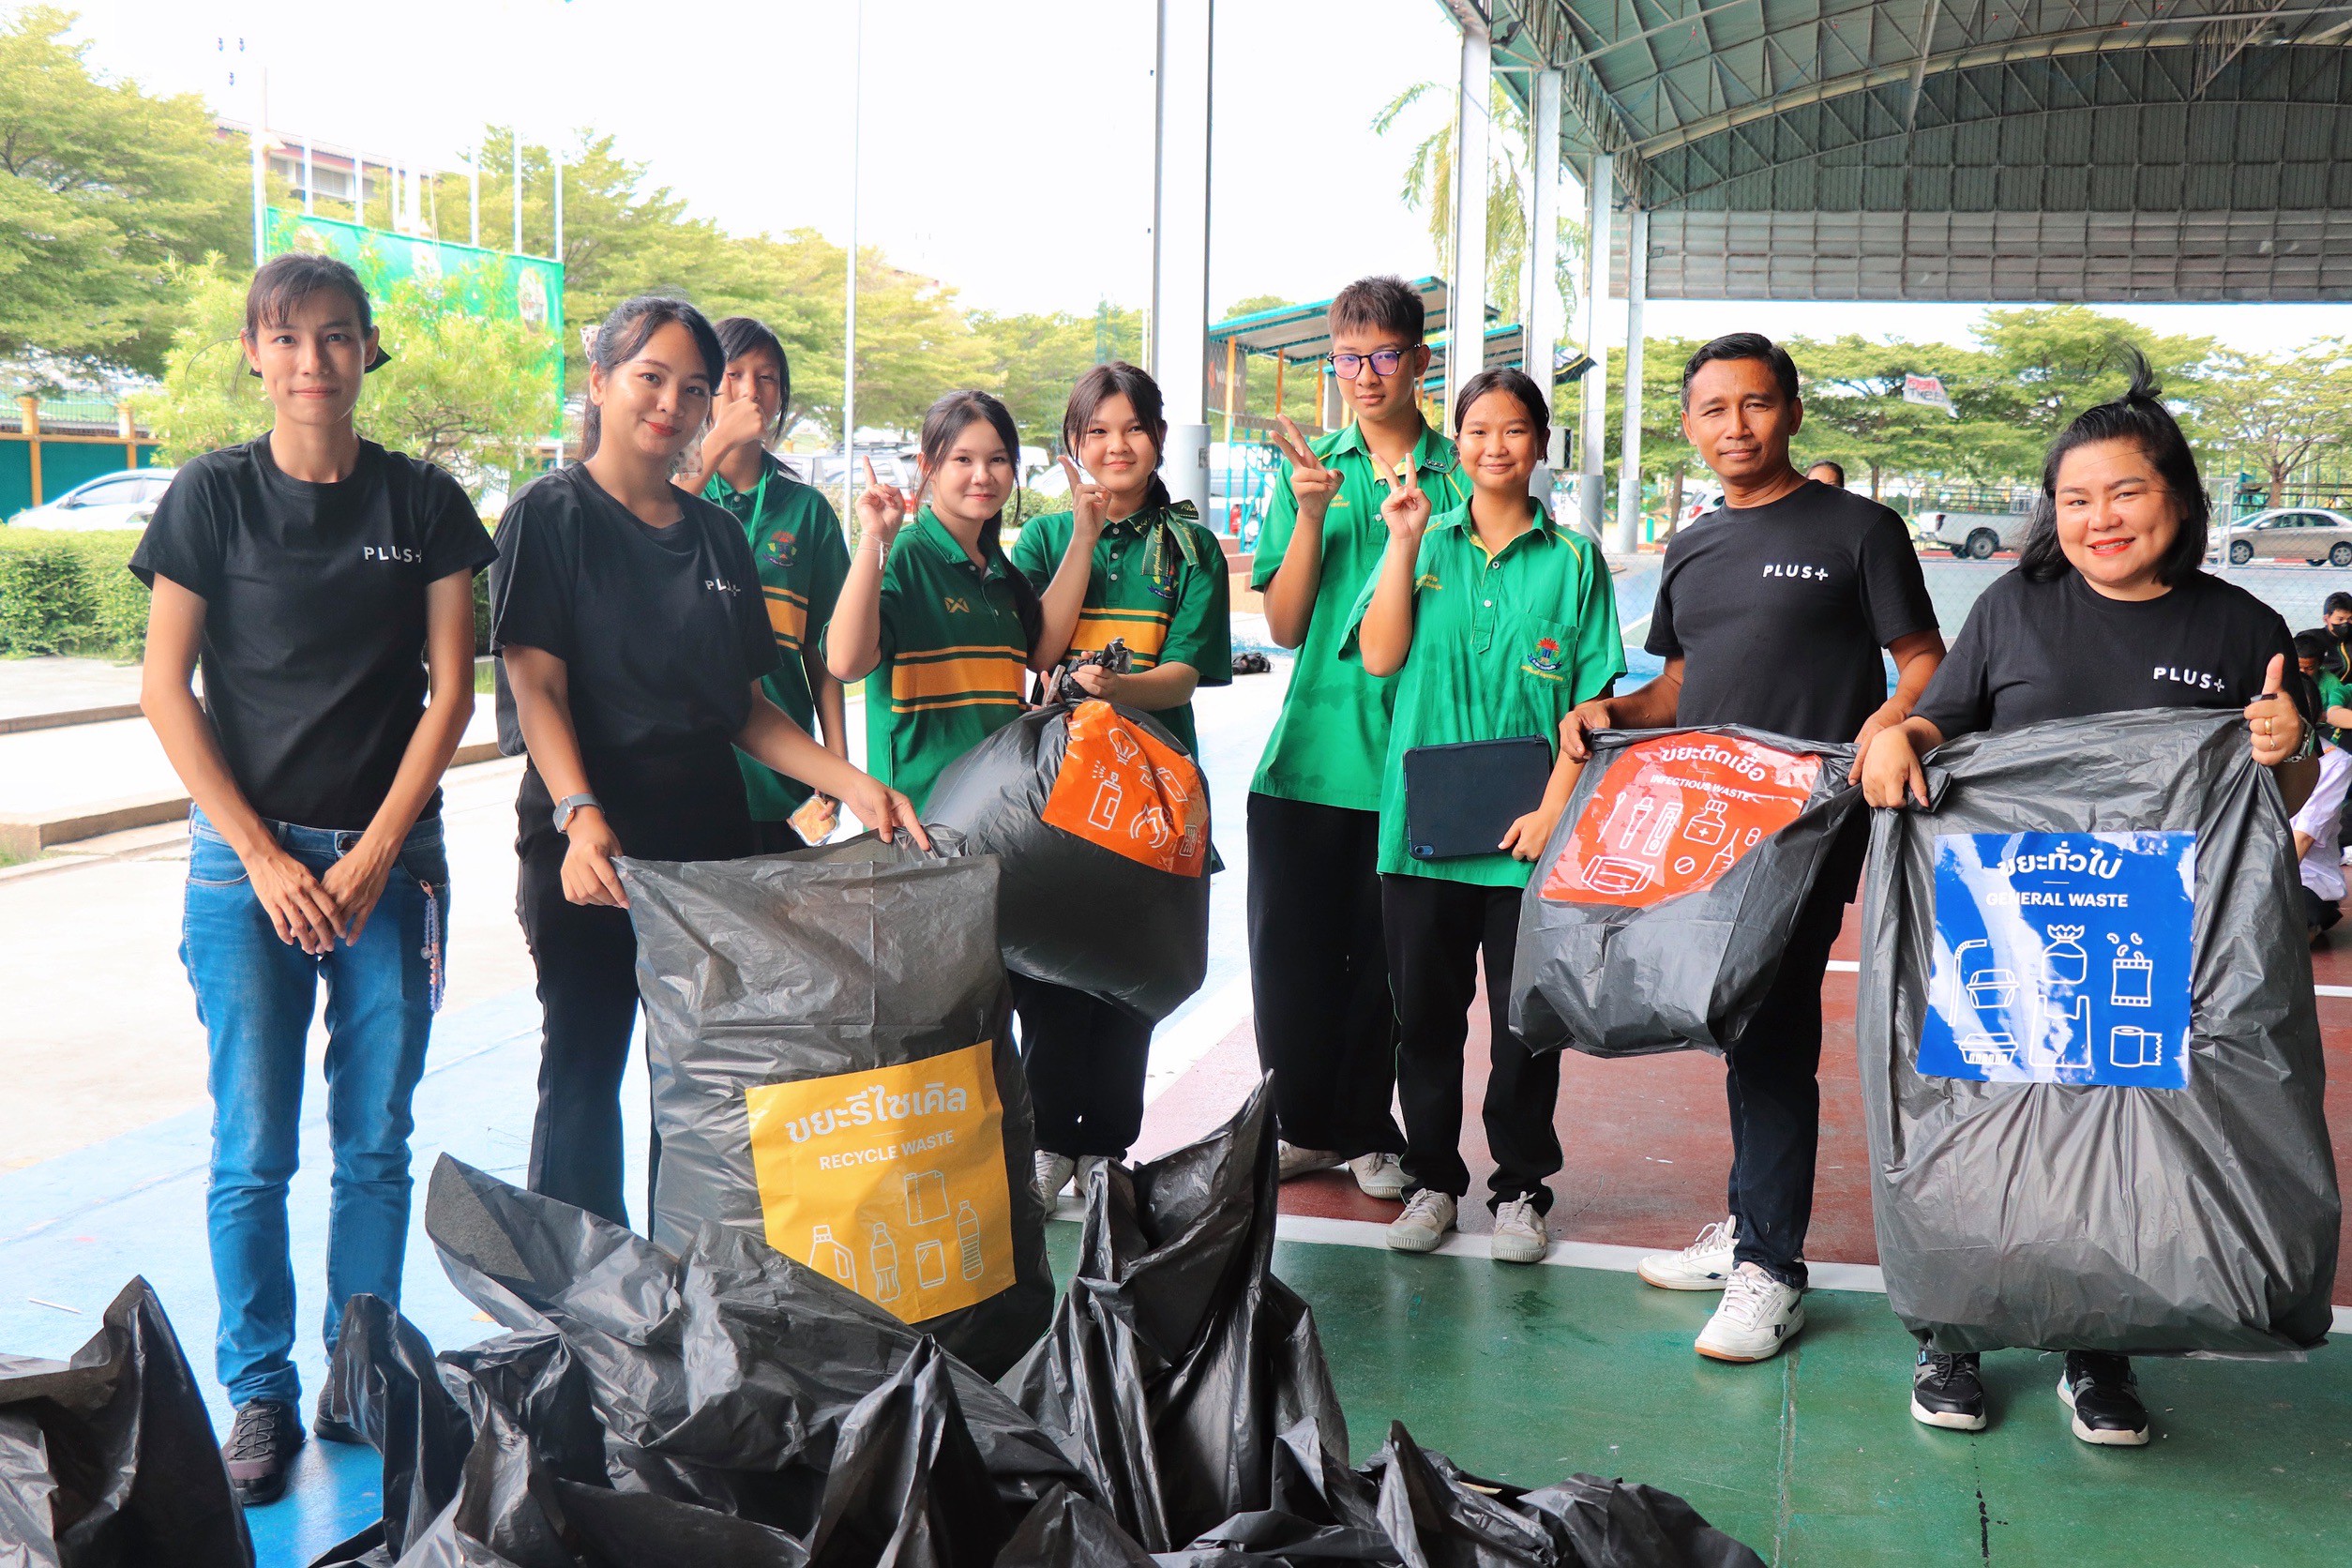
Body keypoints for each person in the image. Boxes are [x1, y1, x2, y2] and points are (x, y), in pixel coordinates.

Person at [1862, 356, 2307, 1446]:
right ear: (2053, 516)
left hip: (2163, 943)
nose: (2100, 517)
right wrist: (1897, 734)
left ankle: (2100, 1351)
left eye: (2126, 493)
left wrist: (2289, 751)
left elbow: (2275, 798)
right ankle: (1953, 1336)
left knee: (2124, 1146)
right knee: (1982, 1126)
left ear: (2181, 500)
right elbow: (1944, 721)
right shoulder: (2017, 607)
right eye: (2076, 499)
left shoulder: (2242, 629)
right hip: (2005, 925)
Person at [133, 253, 496, 1502]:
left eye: (337, 338)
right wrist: (263, 857)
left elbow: (454, 696)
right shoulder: (211, 501)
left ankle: (366, 1377)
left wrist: (378, 852)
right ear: (253, 351)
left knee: (377, 1142)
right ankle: (261, 1396)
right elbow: (163, 692)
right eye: (289, 340)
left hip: (392, 865)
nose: (313, 363)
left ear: (367, 351)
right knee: (251, 1147)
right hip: (249, 874)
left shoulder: (426, 504)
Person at [494, 295, 921, 1233]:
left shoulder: (716, 536)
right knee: (583, 1063)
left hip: (708, 853)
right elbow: (537, 685)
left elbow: (743, 705)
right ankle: (573, 1305)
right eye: (651, 378)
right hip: (591, 856)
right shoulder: (549, 515)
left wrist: (851, 781)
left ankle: (687, 1282)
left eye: (693, 388)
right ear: (600, 381)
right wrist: (577, 810)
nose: (672, 404)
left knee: (698, 1078)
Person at [1560, 332, 1945, 1363]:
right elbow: (1683, 685)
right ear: (1688, 424)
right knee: (1731, 1018)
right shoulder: (1693, 543)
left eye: (1757, 404)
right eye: (1714, 409)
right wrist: (1610, 711)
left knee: (1771, 1026)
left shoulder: (1860, 529)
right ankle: (1747, 1224)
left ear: (1792, 410)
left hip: (1809, 825)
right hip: (1707, 822)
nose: (1736, 425)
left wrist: (1887, 723)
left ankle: (1772, 1268)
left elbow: (1923, 662)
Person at [1349, 369, 1622, 1263]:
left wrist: (1551, 815)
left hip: (1529, 841)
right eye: (1475, 430)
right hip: (1419, 836)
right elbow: (1382, 658)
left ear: (1542, 445)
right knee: (1423, 1020)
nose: (1493, 446)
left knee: (1522, 1023)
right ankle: (1431, 1181)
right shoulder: (1417, 538)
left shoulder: (1575, 560)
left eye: (1513, 430)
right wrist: (1398, 543)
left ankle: (1521, 1189)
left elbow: (1592, 704)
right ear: (1454, 443)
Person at [1250, 276, 1474, 1199]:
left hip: (1414, 764)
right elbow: (1286, 624)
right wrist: (1309, 513)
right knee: (1293, 960)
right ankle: (1306, 1127)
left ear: (1420, 360)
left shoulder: (1462, 475)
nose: (1366, 374)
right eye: (1349, 357)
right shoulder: (1312, 471)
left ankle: (1367, 1127)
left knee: (1394, 974)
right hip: (1310, 759)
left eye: (1385, 354)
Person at [1008, 364, 1232, 1201]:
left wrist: (1116, 689)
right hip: (1053, 795)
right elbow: (1038, 651)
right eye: (1096, 432)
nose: (1115, 446)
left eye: (1130, 429)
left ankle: (1106, 1147)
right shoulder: (1040, 540)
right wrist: (1079, 533)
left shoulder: (1189, 546)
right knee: (1049, 969)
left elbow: (1183, 675)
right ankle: (1047, 1140)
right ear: (1074, 446)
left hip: (1153, 792)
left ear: (1159, 439)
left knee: (1129, 971)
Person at [691, 317, 852, 853]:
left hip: (780, 780)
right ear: (706, 388)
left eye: (766, 377)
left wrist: (836, 764)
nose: (749, 391)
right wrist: (714, 445)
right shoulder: (676, 494)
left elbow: (823, 653)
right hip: (685, 776)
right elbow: (644, 531)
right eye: (732, 374)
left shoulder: (808, 511)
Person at [2290, 628, 2351, 941]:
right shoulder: (2249, 752)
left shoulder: (2335, 763)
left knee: (2290, 917)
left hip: (2302, 876)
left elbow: (2301, 841)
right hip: (2249, 869)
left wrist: (2257, 888)